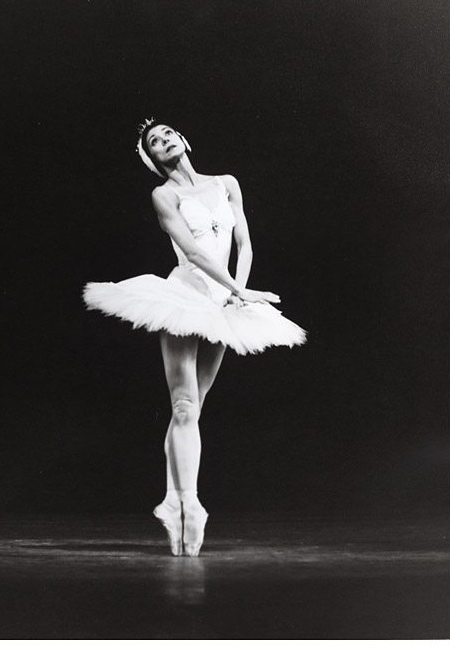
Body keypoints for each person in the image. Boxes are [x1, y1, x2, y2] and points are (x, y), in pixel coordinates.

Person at [83, 119, 306, 557]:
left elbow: (245, 242)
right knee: (183, 405)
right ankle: (191, 503)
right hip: (183, 296)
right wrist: (240, 290)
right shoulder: (164, 195)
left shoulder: (226, 183)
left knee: (194, 409)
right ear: (152, 159)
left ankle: (170, 502)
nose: (163, 141)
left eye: (168, 134)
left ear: (184, 140)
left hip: (223, 301)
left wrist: (238, 294)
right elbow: (195, 251)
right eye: (153, 142)